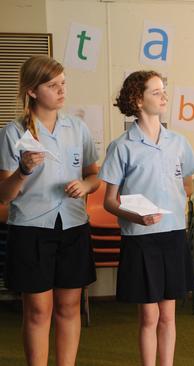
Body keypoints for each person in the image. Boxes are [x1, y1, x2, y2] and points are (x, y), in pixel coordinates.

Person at [0, 55, 100, 366]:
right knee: (39, 310)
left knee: (69, 308)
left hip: (72, 226)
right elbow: (4, 194)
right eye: (52, 85)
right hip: (30, 229)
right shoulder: (13, 133)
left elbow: (94, 176)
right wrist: (24, 171)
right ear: (32, 91)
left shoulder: (78, 128)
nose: (61, 90)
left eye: (63, 83)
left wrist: (85, 187)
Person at [99, 70, 194, 366]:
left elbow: (189, 183)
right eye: (156, 92)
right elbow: (109, 201)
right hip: (140, 239)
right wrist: (137, 216)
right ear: (137, 100)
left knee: (168, 314)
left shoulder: (179, 142)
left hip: (173, 235)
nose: (163, 96)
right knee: (149, 315)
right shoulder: (121, 146)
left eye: (163, 90)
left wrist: (182, 197)